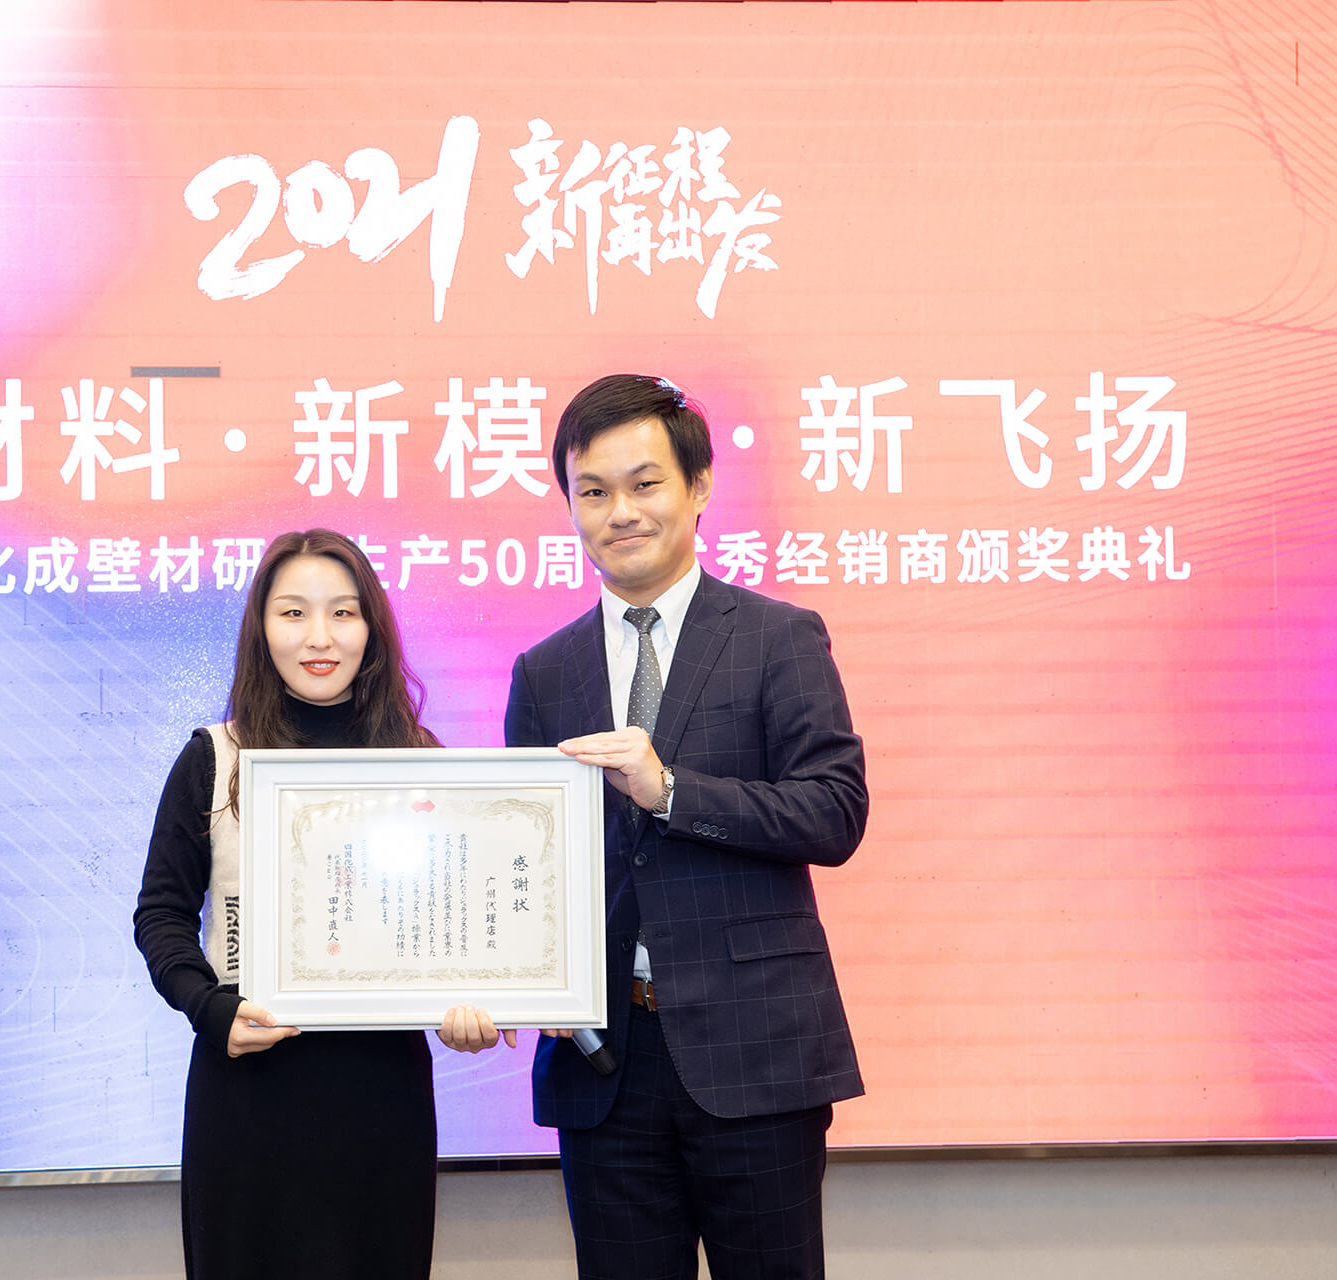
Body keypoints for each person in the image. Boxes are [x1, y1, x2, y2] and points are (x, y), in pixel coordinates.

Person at [497, 374, 868, 1279]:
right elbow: (528, 864)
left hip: (757, 1052)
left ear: (698, 487)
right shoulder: (544, 671)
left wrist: (669, 790)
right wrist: (514, 973)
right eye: (593, 491)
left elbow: (834, 810)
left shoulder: (778, 637)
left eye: (645, 484)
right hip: (604, 1064)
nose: (620, 512)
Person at [136, 527, 490, 1280]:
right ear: (262, 629)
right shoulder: (213, 757)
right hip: (248, 1093)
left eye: (344, 612)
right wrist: (211, 1008)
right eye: (293, 612)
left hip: (379, 1095)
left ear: (372, 629)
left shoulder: (421, 764)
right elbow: (160, 915)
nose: (319, 637)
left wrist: (471, 1001)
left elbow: (455, 928)